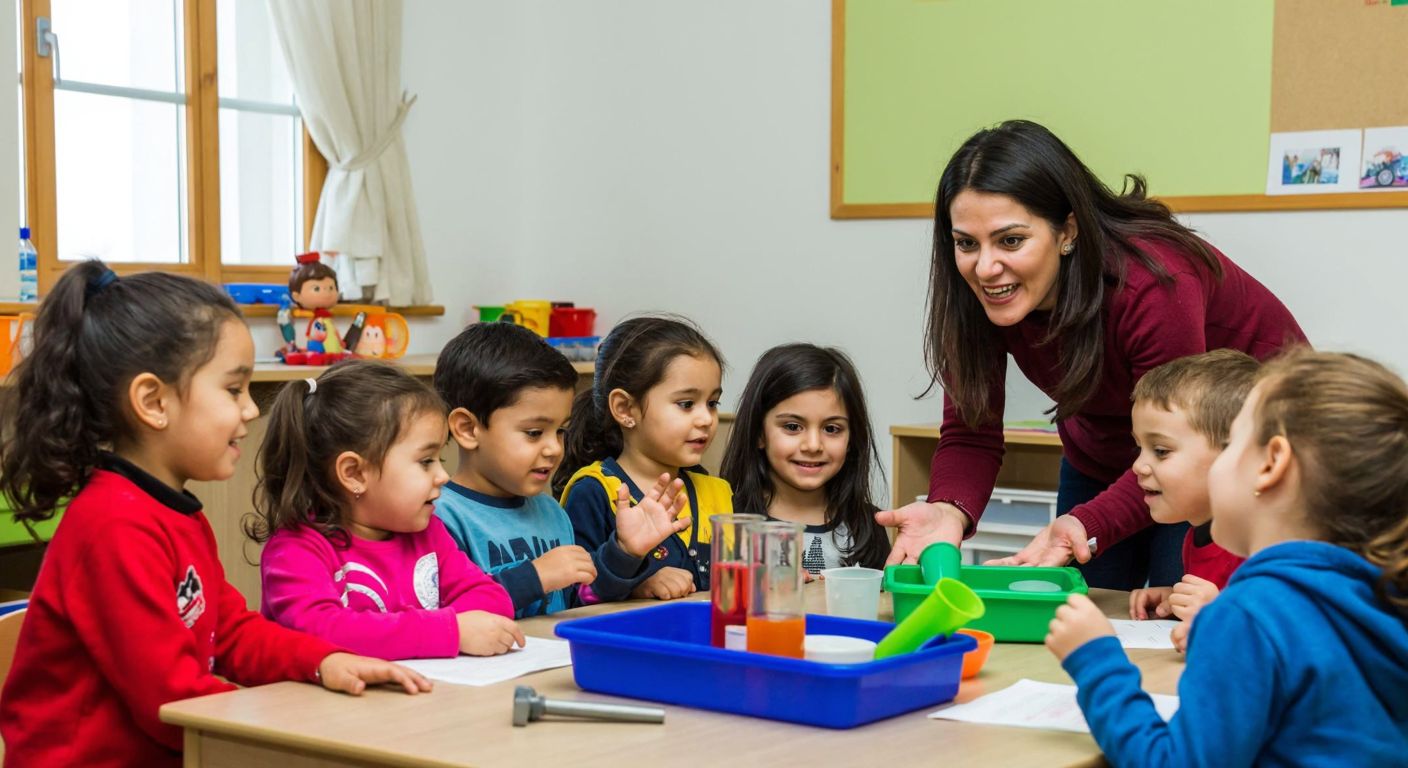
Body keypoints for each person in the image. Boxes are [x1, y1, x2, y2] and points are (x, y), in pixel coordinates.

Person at [0, 262, 428, 767]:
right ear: (153, 402)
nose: (249, 410)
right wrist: (284, 736)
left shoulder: (173, 510)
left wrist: (324, 661)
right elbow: (171, 700)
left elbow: (228, 630)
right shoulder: (113, 526)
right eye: (232, 390)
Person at [877, 119, 1306, 590]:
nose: (985, 267)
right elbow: (971, 429)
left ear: (1067, 231)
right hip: (1109, 450)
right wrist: (948, 509)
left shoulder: (1152, 284)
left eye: (1011, 240)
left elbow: (1180, 441)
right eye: (966, 243)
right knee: (1088, 606)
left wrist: (1088, 523)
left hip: (1220, 455)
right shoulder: (975, 295)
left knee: (1187, 621)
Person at [1045, 349, 1408, 765]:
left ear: (1271, 464)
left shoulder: (1250, 613)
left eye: (1233, 442)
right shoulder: (1375, 590)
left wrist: (1096, 658)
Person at [251, 360, 523, 659]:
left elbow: (492, 598)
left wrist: (447, 630)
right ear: (354, 473)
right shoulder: (297, 550)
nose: (443, 476)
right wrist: (449, 631)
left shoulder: (428, 533)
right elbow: (323, 632)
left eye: (439, 460)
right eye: (425, 461)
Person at [432, 322, 605, 617]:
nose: (554, 448)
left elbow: (578, 603)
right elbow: (445, 614)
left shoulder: (553, 513)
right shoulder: (439, 518)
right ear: (468, 429)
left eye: (560, 431)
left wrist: (628, 556)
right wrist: (533, 579)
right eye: (535, 433)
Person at [554, 316, 728, 601]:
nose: (706, 418)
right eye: (686, 404)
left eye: (712, 403)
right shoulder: (593, 491)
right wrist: (637, 586)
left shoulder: (715, 491)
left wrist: (766, 576)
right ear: (625, 409)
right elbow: (573, 596)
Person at [1124, 349, 1258, 651]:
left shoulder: (1263, 547)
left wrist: (1219, 611)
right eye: (1139, 448)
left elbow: (1289, 638)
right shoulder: (1196, 535)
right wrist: (1175, 598)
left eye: (1160, 451)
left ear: (1234, 455)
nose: (1138, 466)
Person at [721, 343, 890, 573]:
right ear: (759, 433)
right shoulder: (730, 521)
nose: (813, 445)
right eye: (792, 426)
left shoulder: (867, 525)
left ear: (851, 439)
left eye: (831, 429)